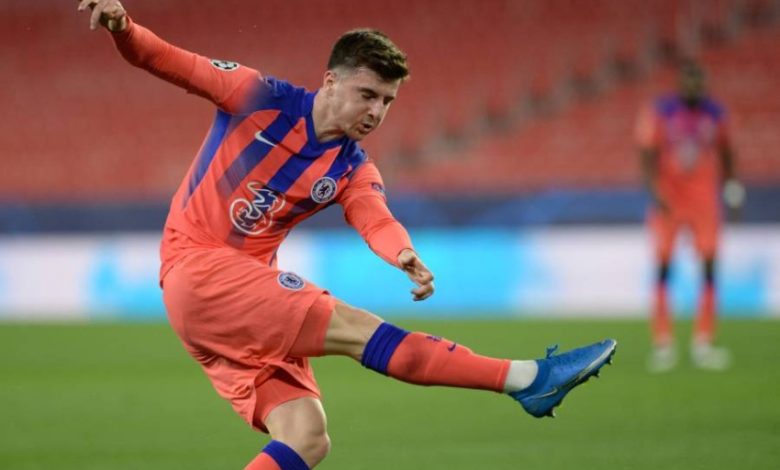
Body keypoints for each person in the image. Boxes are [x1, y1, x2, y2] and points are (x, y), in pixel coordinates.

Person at [78, 1, 617, 468]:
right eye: (368, 94)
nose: (376, 112)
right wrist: (124, 27)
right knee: (359, 330)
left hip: (229, 299)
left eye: (387, 101)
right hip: (199, 269)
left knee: (307, 438)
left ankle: (528, 381)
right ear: (331, 81)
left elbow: (374, 216)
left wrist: (402, 253)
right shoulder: (255, 94)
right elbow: (166, 59)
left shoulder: (352, 167)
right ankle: (527, 378)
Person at [636, 60, 744, 373]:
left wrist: (732, 187)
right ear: (680, 83)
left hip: (704, 202)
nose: (693, 88)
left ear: (704, 85)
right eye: (688, 82)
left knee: (709, 268)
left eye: (698, 82)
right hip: (669, 201)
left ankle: (703, 342)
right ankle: (663, 342)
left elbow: (727, 151)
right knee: (663, 268)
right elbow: (646, 151)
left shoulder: (716, 114)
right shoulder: (662, 111)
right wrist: (653, 189)